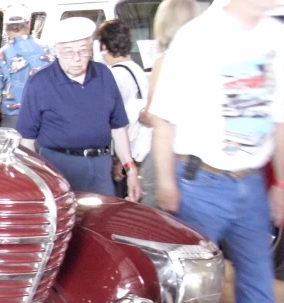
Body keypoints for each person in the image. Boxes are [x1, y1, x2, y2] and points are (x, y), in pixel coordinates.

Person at [150, 0, 284, 303]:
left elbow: (279, 120)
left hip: (251, 186)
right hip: (200, 184)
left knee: (258, 286)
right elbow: (163, 119)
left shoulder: (274, 36)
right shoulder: (196, 38)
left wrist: (279, 183)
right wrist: (167, 183)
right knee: (187, 290)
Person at [16, 17, 140, 200]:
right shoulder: (39, 83)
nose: (76, 58)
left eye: (83, 51)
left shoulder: (104, 75)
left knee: (103, 220)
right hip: (59, 167)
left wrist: (130, 169)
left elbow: (118, 126)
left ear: (92, 49)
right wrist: (36, 181)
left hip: (101, 168)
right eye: (68, 52)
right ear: (56, 51)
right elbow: (26, 141)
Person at [137, 0, 199, 207]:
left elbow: (155, 115)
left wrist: (142, 114)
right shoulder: (204, 58)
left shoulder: (166, 61)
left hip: (167, 152)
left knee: (157, 219)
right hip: (197, 157)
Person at [97, 19, 150, 197]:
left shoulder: (113, 75)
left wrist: (117, 159)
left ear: (104, 46)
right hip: (139, 150)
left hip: (122, 154)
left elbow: (111, 121)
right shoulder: (138, 70)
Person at [0, 4, 50, 128]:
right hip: (48, 119)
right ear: (29, 24)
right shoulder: (48, 50)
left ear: (5, 27)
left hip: (14, 122)